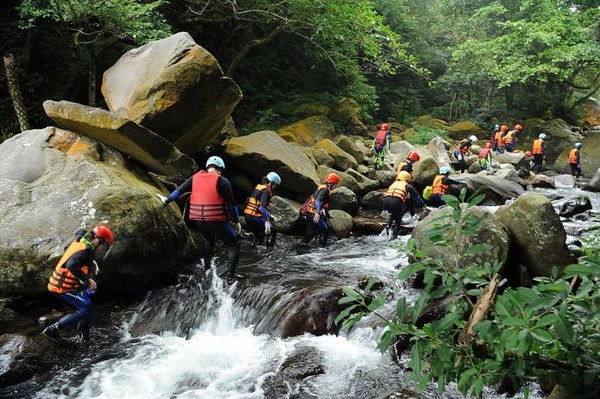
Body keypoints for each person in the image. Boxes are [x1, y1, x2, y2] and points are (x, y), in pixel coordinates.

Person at [163, 156, 241, 284]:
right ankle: (230, 278)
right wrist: (237, 221)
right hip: (216, 220)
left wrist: (167, 201)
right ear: (220, 168)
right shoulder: (223, 181)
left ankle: (206, 269)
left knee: (209, 242)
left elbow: (178, 191)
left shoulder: (194, 178)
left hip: (199, 220)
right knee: (233, 244)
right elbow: (232, 205)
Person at [43, 224, 115, 344]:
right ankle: (51, 330)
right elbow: (71, 265)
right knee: (84, 308)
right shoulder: (85, 250)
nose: (103, 248)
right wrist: (86, 280)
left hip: (70, 286)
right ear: (99, 240)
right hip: (62, 287)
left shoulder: (81, 240)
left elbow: (79, 232)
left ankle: (83, 337)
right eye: (105, 245)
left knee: (88, 306)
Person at [300, 172, 341, 247]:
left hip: (309, 212)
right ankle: (322, 249)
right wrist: (318, 212)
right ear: (331, 183)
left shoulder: (323, 187)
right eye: (335, 184)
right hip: (313, 214)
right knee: (325, 230)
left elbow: (324, 204)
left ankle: (303, 245)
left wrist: (327, 214)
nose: (335, 186)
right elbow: (317, 201)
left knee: (311, 232)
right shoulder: (325, 190)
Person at [243, 171, 281, 248]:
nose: (275, 187)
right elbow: (262, 208)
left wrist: (269, 216)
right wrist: (267, 221)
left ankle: (254, 250)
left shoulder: (259, 187)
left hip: (247, 216)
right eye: (275, 185)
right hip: (254, 217)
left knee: (259, 235)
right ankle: (269, 250)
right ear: (271, 183)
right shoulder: (266, 191)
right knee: (272, 231)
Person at [383, 171, 424, 239]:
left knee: (393, 215)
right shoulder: (408, 186)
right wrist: (423, 205)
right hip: (396, 201)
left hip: (386, 201)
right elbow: (416, 197)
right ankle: (394, 236)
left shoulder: (394, 183)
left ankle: (387, 229)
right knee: (398, 219)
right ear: (407, 179)